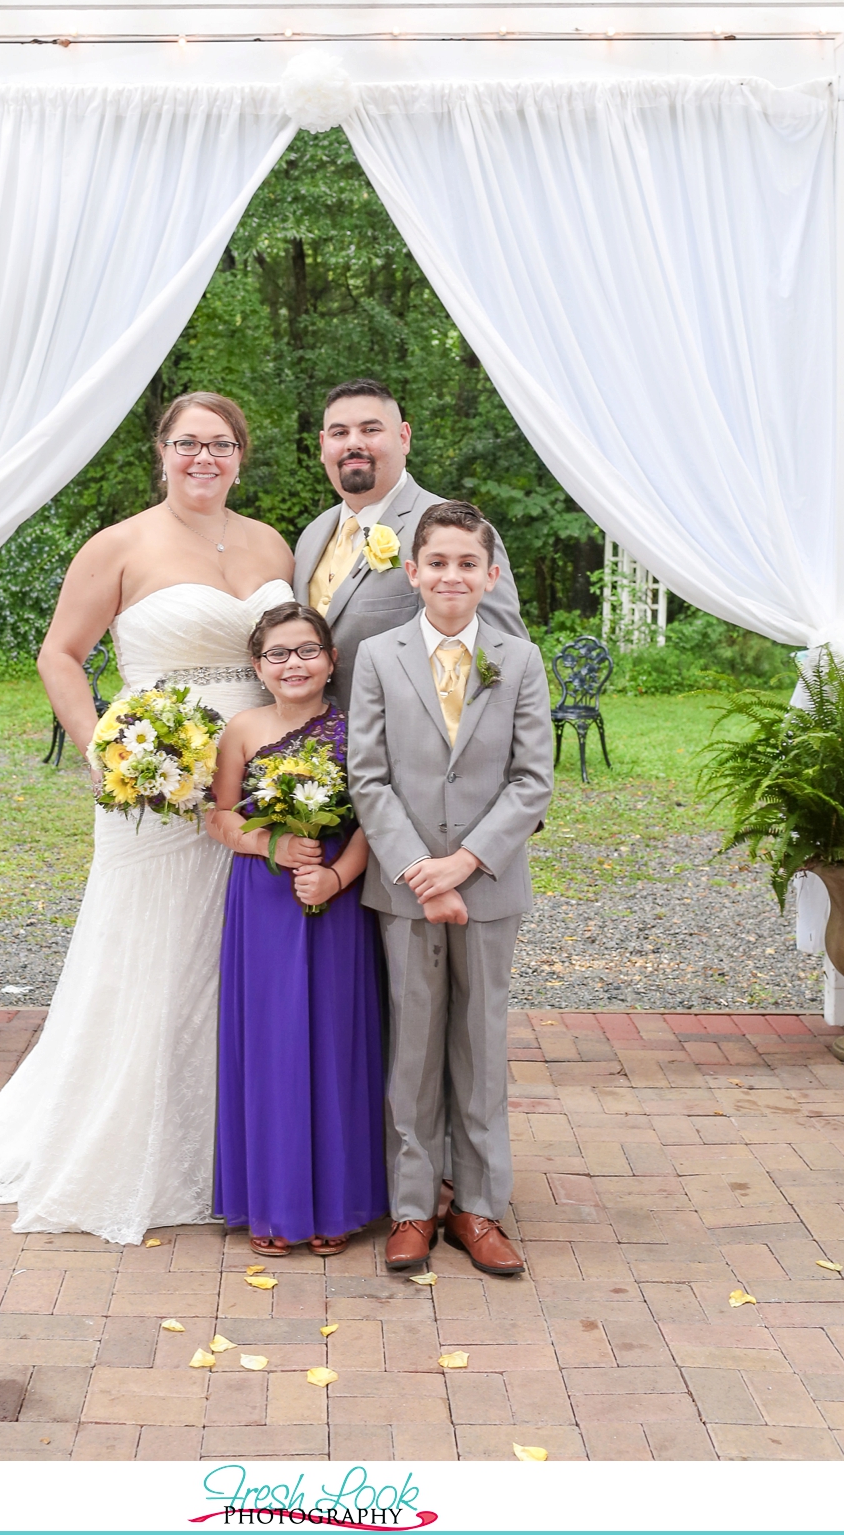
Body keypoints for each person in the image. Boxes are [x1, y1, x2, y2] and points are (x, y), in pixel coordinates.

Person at [0, 393, 295, 1244]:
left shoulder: (271, 544)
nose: (204, 458)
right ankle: (136, 1145)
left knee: (236, 960)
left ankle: (241, 1145)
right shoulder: (118, 545)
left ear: (240, 455)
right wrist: (103, 748)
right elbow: (61, 654)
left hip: (255, 778)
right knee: (149, 954)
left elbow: (287, 654)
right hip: (155, 785)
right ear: (161, 450)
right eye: (188, 443)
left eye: (221, 444)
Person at [347, 500, 554, 1278]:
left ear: (490, 574)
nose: (451, 576)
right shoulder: (377, 656)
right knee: (412, 1046)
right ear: (412, 572)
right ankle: (411, 1207)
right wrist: (416, 870)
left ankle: (478, 1205)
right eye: (437, 562)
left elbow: (532, 780)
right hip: (404, 890)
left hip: (488, 887)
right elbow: (368, 776)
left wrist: (462, 864)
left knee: (480, 1044)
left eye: (468, 563)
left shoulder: (519, 660)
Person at [208, 602, 387, 1256]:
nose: (294, 664)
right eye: (278, 654)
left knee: (335, 1046)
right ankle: (274, 1206)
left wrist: (337, 877)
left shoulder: (356, 728)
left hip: (336, 899)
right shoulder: (243, 730)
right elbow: (220, 818)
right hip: (265, 904)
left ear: (332, 659)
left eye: (307, 650)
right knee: (274, 1047)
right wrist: (270, 846)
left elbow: (374, 819)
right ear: (258, 667)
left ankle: (336, 1204)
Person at [292, 380, 528, 712]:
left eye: (370, 429)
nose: (353, 443)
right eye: (339, 433)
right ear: (322, 445)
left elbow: (503, 656)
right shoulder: (312, 535)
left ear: (404, 438)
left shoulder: (460, 531)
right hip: (316, 750)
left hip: (410, 751)